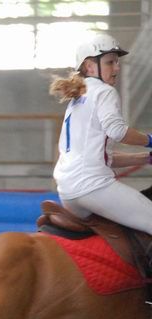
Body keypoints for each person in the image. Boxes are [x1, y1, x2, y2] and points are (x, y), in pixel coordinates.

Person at [50, 33, 152, 237]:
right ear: (89, 66)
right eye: (110, 62)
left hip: (68, 192)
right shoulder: (104, 91)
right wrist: (150, 141)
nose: (117, 68)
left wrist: (145, 158)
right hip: (92, 188)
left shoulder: (78, 97)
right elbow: (118, 132)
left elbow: (101, 158)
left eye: (116, 62)